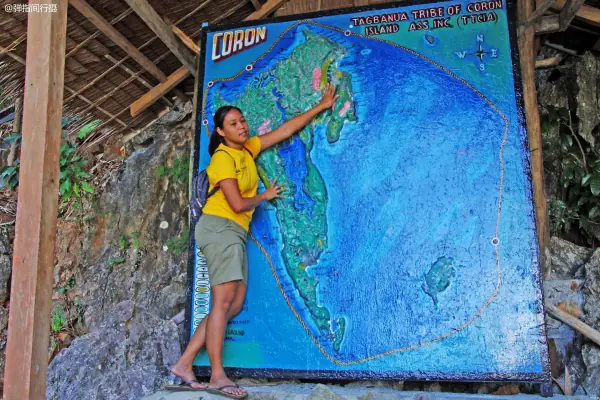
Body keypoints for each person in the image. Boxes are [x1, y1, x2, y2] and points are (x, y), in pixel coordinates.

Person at [170, 83, 339, 399]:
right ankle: (218, 376)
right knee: (222, 302)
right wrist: (265, 195)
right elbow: (236, 203)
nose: (241, 126)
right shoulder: (222, 159)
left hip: (234, 232)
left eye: (242, 121)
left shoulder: (246, 150)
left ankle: (183, 364)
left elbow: (285, 129)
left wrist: (321, 105)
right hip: (220, 227)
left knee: (231, 304)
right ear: (220, 131)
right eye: (233, 124)